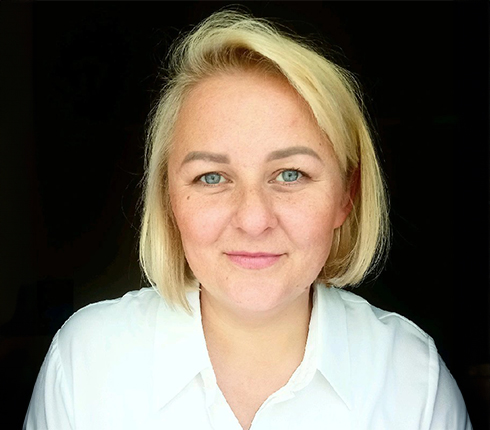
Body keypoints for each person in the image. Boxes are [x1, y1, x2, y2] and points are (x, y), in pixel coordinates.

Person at [24, 9, 472, 430]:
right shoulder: (86, 364)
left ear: (346, 196)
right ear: (169, 200)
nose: (254, 219)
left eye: (290, 174)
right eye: (212, 177)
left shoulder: (414, 379)